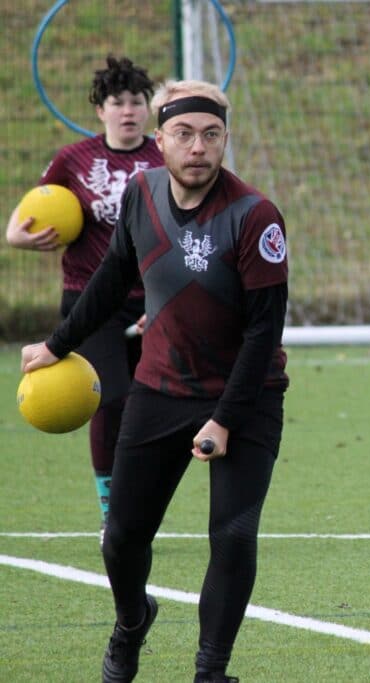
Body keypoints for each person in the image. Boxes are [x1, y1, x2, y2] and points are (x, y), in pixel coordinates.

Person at [20, 78, 289, 683]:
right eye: (185, 134)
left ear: (225, 142)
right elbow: (111, 281)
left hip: (245, 399)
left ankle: (210, 671)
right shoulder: (141, 195)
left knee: (234, 533)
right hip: (161, 388)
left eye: (212, 135)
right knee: (121, 538)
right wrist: (55, 344)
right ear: (161, 141)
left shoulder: (255, 216)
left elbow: (263, 334)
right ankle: (132, 620)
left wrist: (223, 419)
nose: (198, 147)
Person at [6, 55, 162, 542]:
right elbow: (21, 223)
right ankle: (111, 509)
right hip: (89, 301)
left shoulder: (165, 158)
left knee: (151, 406)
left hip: (155, 300)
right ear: (100, 110)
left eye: (137, 101)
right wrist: (20, 236)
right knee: (110, 399)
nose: (129, 111)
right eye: (118, 102)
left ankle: (139, 500)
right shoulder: (72, 160)